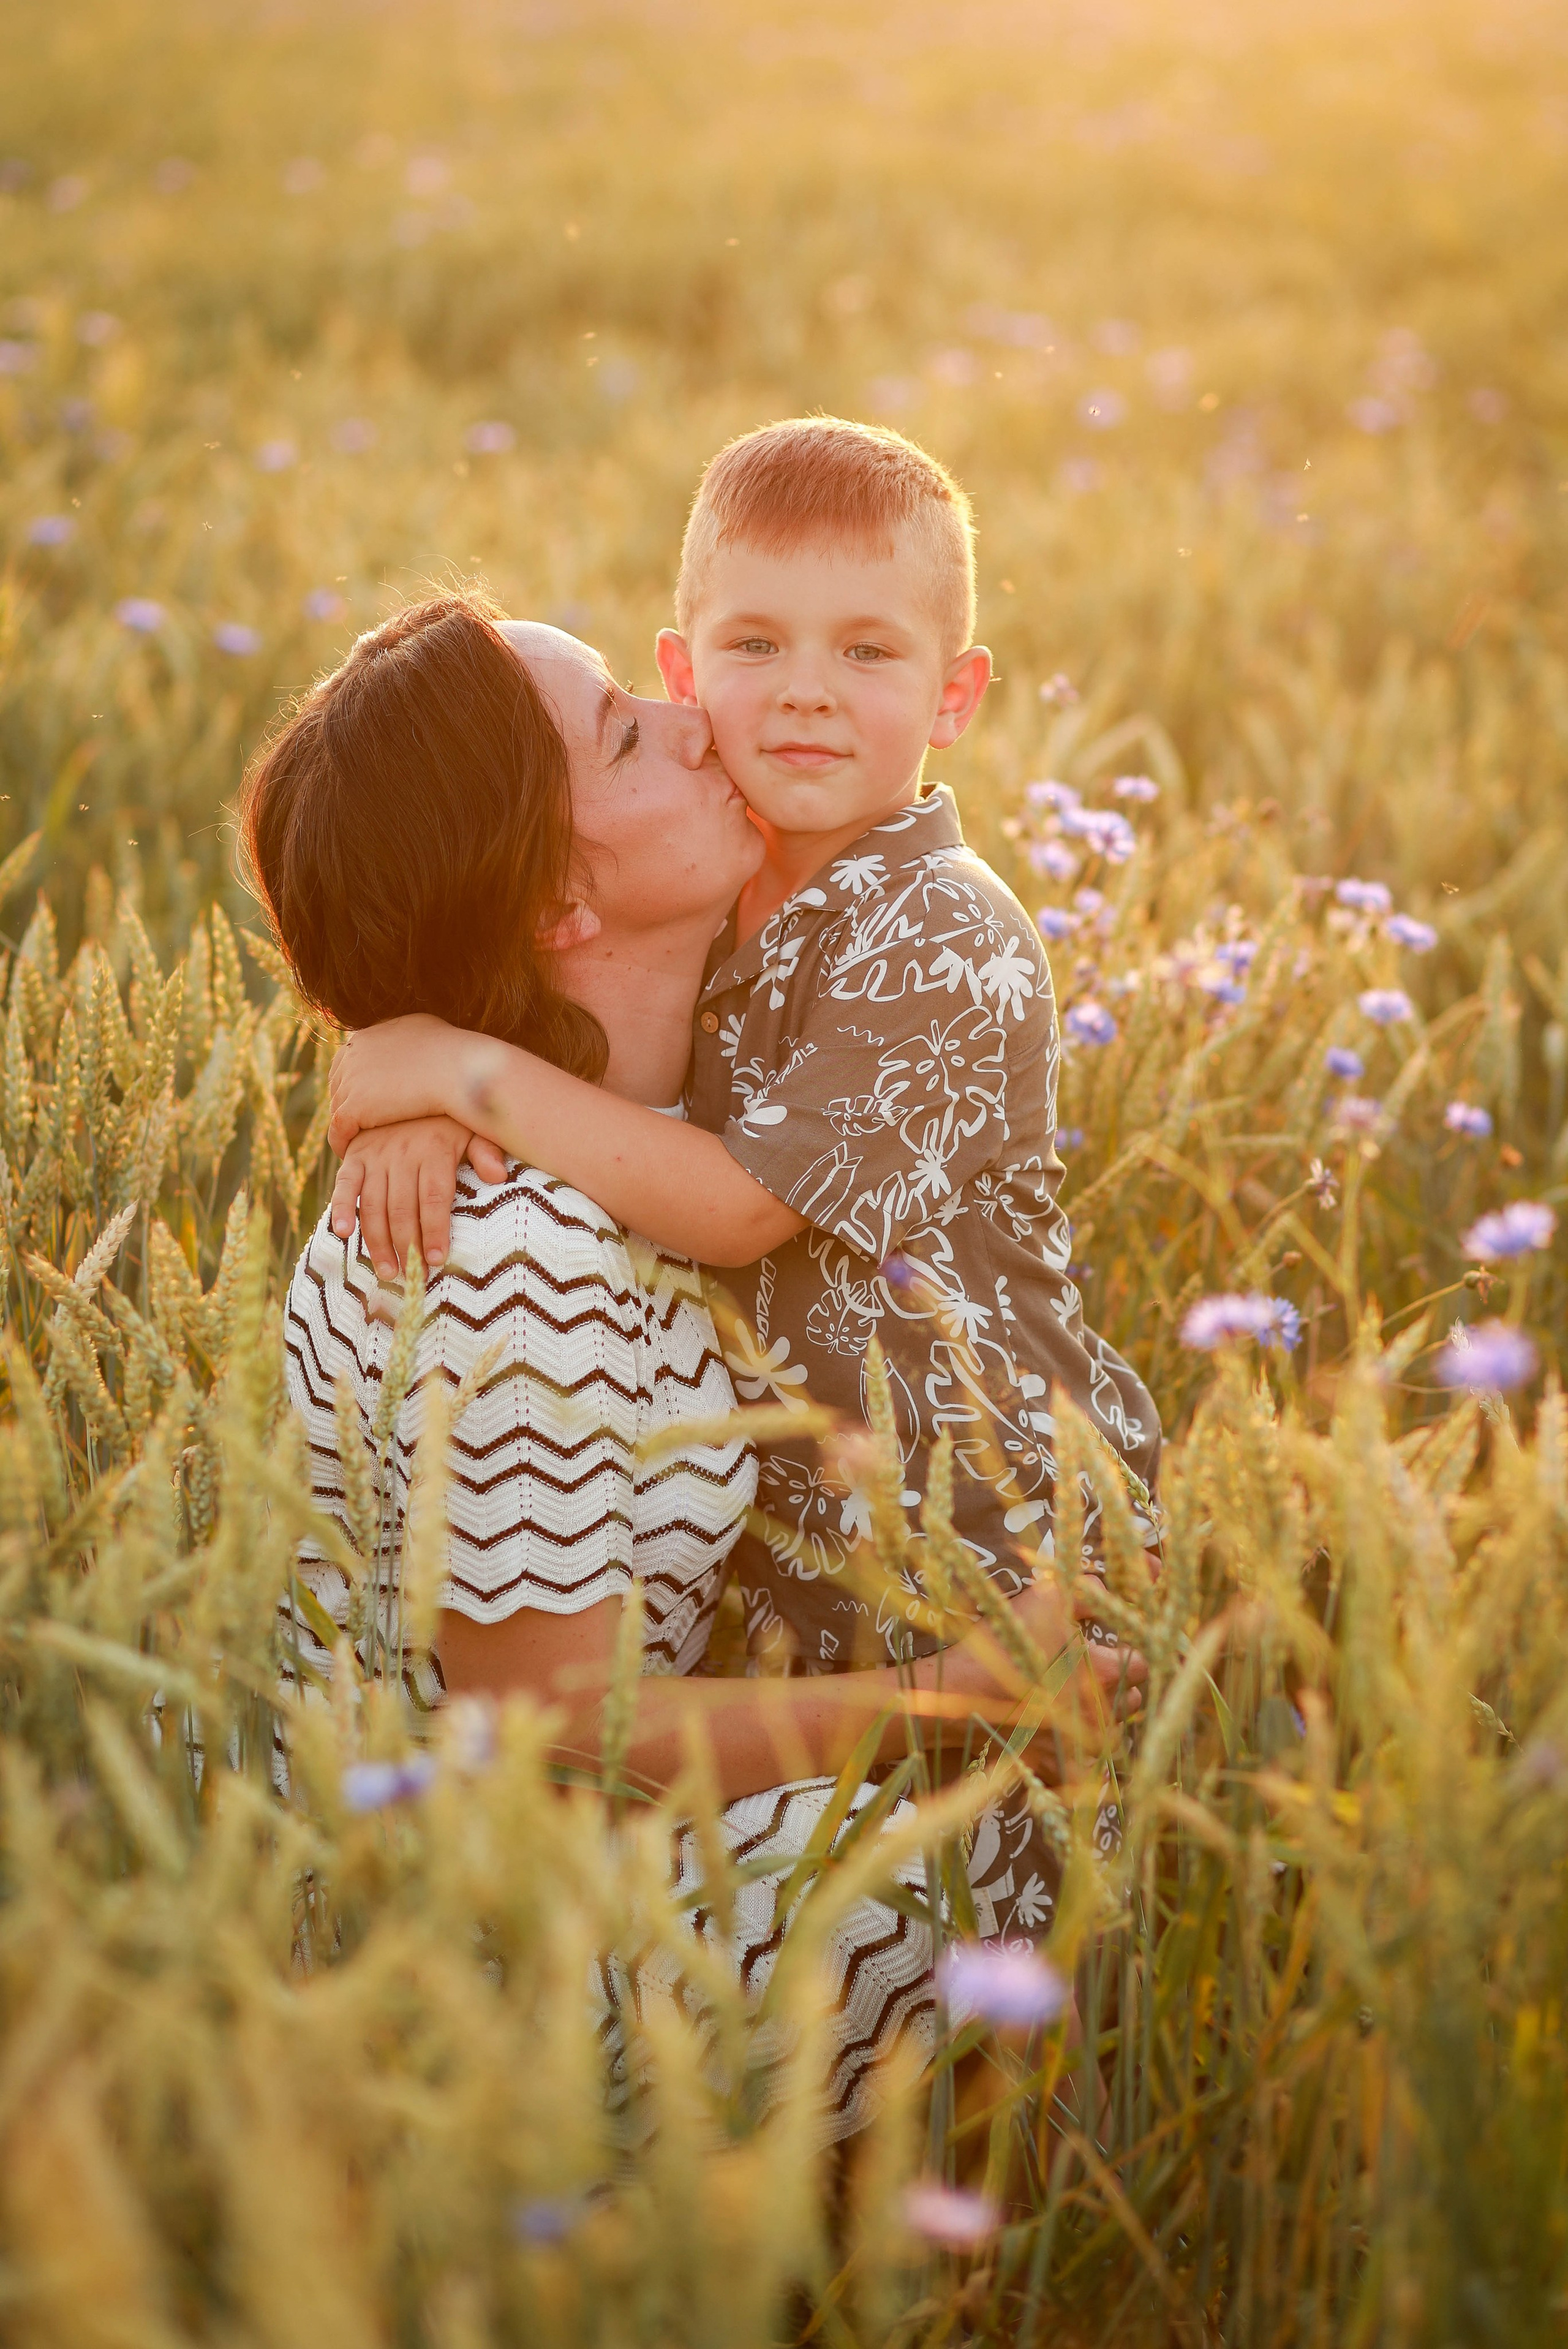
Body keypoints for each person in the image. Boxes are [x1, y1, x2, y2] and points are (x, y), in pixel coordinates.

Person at [241, 588, 1142, 2138]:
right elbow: (547, 1734)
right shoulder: (516, 1263)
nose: (694, 719)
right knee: (1002, 1842)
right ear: (556, 911)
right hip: (476, 1977)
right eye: (622, 731)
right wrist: (957, 1699)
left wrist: (444, 1063)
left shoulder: (626, 1120)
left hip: (523, 1873)